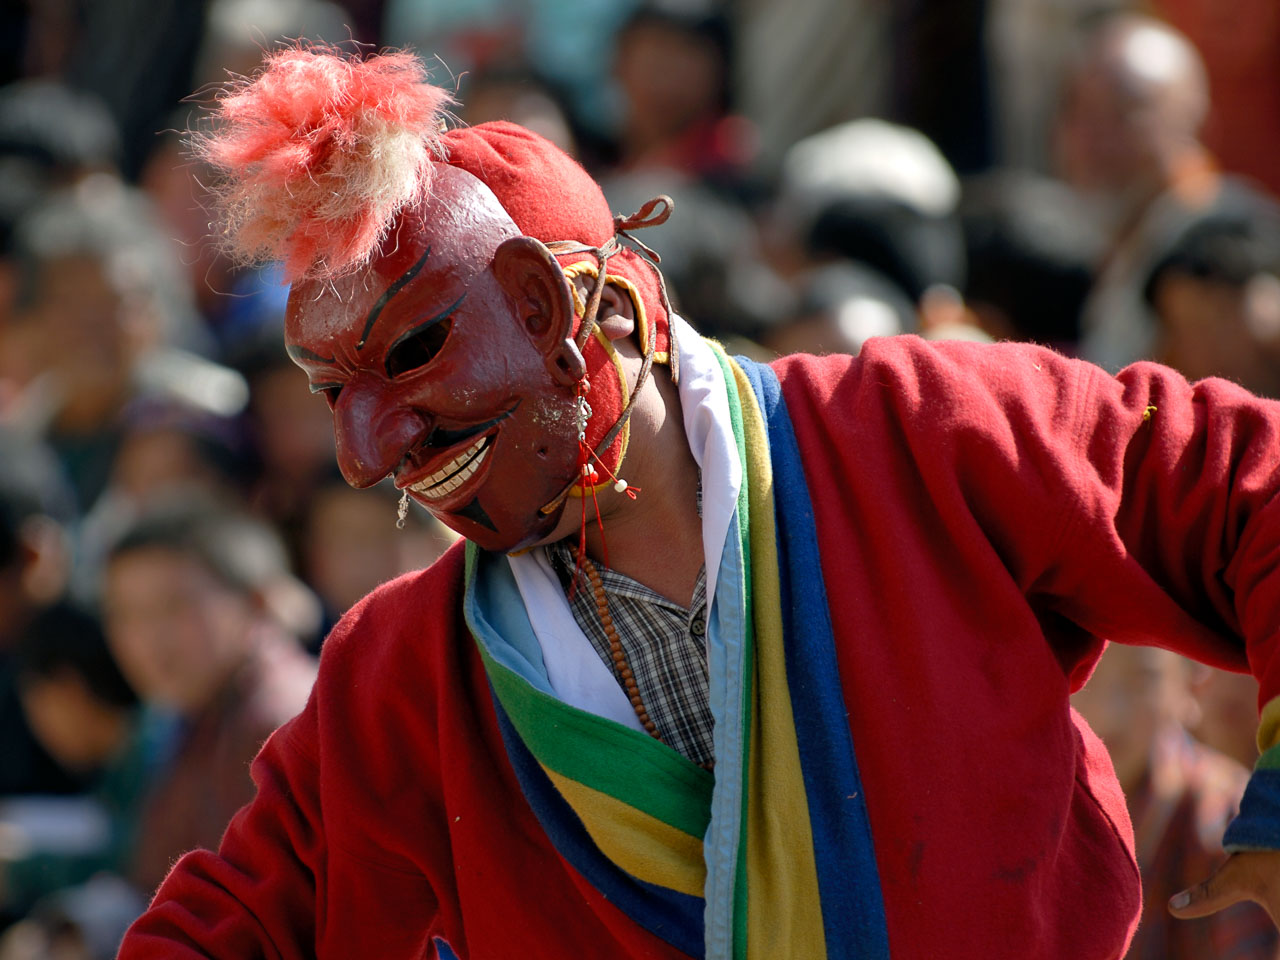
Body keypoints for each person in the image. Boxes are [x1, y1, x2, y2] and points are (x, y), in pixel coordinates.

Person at [119, 46, 1280, 958]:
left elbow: (1246, 488)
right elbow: (247, 919)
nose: (369, 453)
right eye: (333, 392)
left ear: (594, 314)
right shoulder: (406, 672)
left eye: (416, 351)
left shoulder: (924, 434)